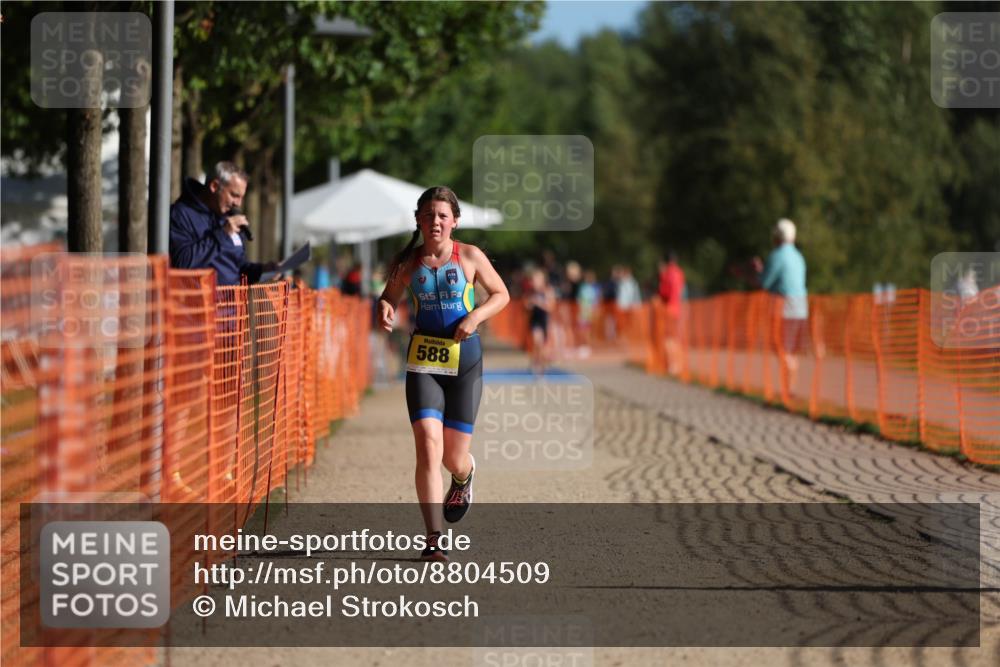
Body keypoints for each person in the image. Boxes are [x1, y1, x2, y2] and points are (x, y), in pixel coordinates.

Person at [377, 186, 509, 561]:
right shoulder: (408, 264)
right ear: (418, 220)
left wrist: (474, 316)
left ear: (454, 221)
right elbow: (389, 296)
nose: (435, 221)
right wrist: (385, 308)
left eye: (442, 215)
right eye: (428, 215)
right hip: (424, 362)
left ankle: (464, 477)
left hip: (464, 360)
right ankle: (434, 537)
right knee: (427, 446)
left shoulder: (468, 256)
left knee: (453, 457)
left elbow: (501, 295)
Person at [169, 161, 274, 285]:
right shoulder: (180, 214)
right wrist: (222, 234)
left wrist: (262, 271)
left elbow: (236, 268)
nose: (238, 203)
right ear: (214, 186)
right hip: (197, 304)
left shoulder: (227, 217)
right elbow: (182, 263)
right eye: (234, 195)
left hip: (233, 303)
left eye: (241, 197)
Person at [753, 218, 808, 390]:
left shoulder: (777, 256)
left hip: (784, 309)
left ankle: (789, 388)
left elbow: (764, 283)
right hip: (801, 309)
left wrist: (756, 272)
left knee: (781, 347)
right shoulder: (799, 257)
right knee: (790, 350)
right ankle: (789, 389)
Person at [657, 252, 685, 375]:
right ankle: (678, 363)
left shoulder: (667, 274)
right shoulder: (680, 272)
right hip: (678, 307)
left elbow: (664, 292)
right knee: (676, 337)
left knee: (668, 338)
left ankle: (672, 364)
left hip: (668, 308)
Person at [525, 268, 557, 376]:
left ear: (543, 280)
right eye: (533, 280)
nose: (534, 282)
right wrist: (528, 304)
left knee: (542, 347)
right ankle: (535, 364)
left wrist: (539, 303)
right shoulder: (531, 292)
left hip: (544, 320)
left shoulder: (548, 291)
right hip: (534, 321)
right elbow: (525, 307)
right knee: (536, 341)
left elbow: (551, 307)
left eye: (537, 280)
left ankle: (540, 366)